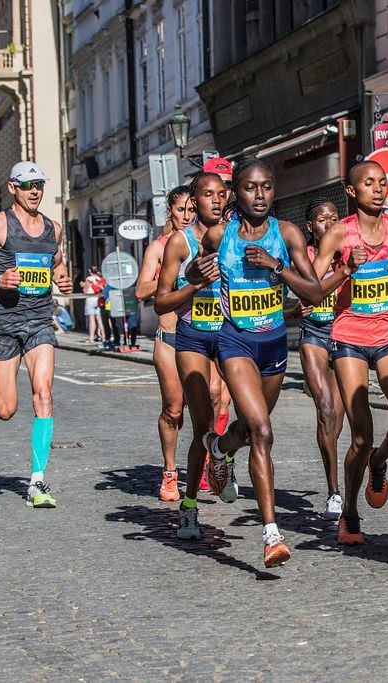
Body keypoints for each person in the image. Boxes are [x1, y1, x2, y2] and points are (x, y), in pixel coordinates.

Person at [188, 157, 322, 567]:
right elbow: (196, 271)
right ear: (236, 193)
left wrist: (276, 267)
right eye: (250, 187)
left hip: (275, 346)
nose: (260, 195)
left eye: (266, 187)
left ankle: (218, 446)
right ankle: (271, 535)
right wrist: (196, 271)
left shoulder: (288, 234)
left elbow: (315, 293)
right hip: (236, 343)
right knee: (263, 431)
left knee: (246, 432)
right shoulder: (217, 235)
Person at [311, 163, 388, 541]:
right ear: (351, 190)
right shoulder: (338, 233)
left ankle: (380, 461)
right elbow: (311, 288)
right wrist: (344, 268)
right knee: (361, 436)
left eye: (382, 182)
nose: (378, 189)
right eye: (368, 183)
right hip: (349, 338)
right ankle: (350, 512)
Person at [0, 160, 74, 509]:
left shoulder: (54, 228)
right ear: (13, 188)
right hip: (4, 322)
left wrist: (63, 278)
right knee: (6, 410)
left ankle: (37, 482)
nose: (34, 191)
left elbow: (56, 262)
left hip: (39, 319)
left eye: (39, 184)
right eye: (27, 186)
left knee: (44, 394)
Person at [154, 172, 233, 538]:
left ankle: (224, 455)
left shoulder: (238, 236)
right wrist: (196, 283)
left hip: (233, 336)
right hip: (194, 338)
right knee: (201, 423)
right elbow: (160, 301)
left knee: (252, 415)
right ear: (195, 201)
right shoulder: (179, 243)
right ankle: (188, 505)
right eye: (207, 194)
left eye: (221, 194)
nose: (215, 200)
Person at [287, 198, 347, 520]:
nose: (330, 224)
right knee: (324, 409)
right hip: (313, 336)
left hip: (345, 335)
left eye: (335, 218)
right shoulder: (302, 257)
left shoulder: (349, 253)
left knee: (337, 419)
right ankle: (334, 492)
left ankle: (336, 464)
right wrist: (293, 310)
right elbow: (286, 301)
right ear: (311, 226)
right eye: (323, 219)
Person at [135, 185, 194, 501]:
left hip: (201, 335)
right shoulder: (159, 248)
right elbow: (141, 290)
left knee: (213, 400)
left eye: (191, 209)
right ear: (169, 212)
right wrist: (169, 276)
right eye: (180, 210)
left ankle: (208, 463)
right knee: (174, 411)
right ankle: (170, 472)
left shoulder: (205, 244)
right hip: (169, 338)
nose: (187, 216)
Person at [80, 266, 105, 343]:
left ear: (90, 271)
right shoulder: (99, 279)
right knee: (99, 320)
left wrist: (83, 286)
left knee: (91, 320)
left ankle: (91, 338)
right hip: (98, 300)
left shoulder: (88, 279)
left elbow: (85, 291)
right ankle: (103, 337)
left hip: (90, 300)